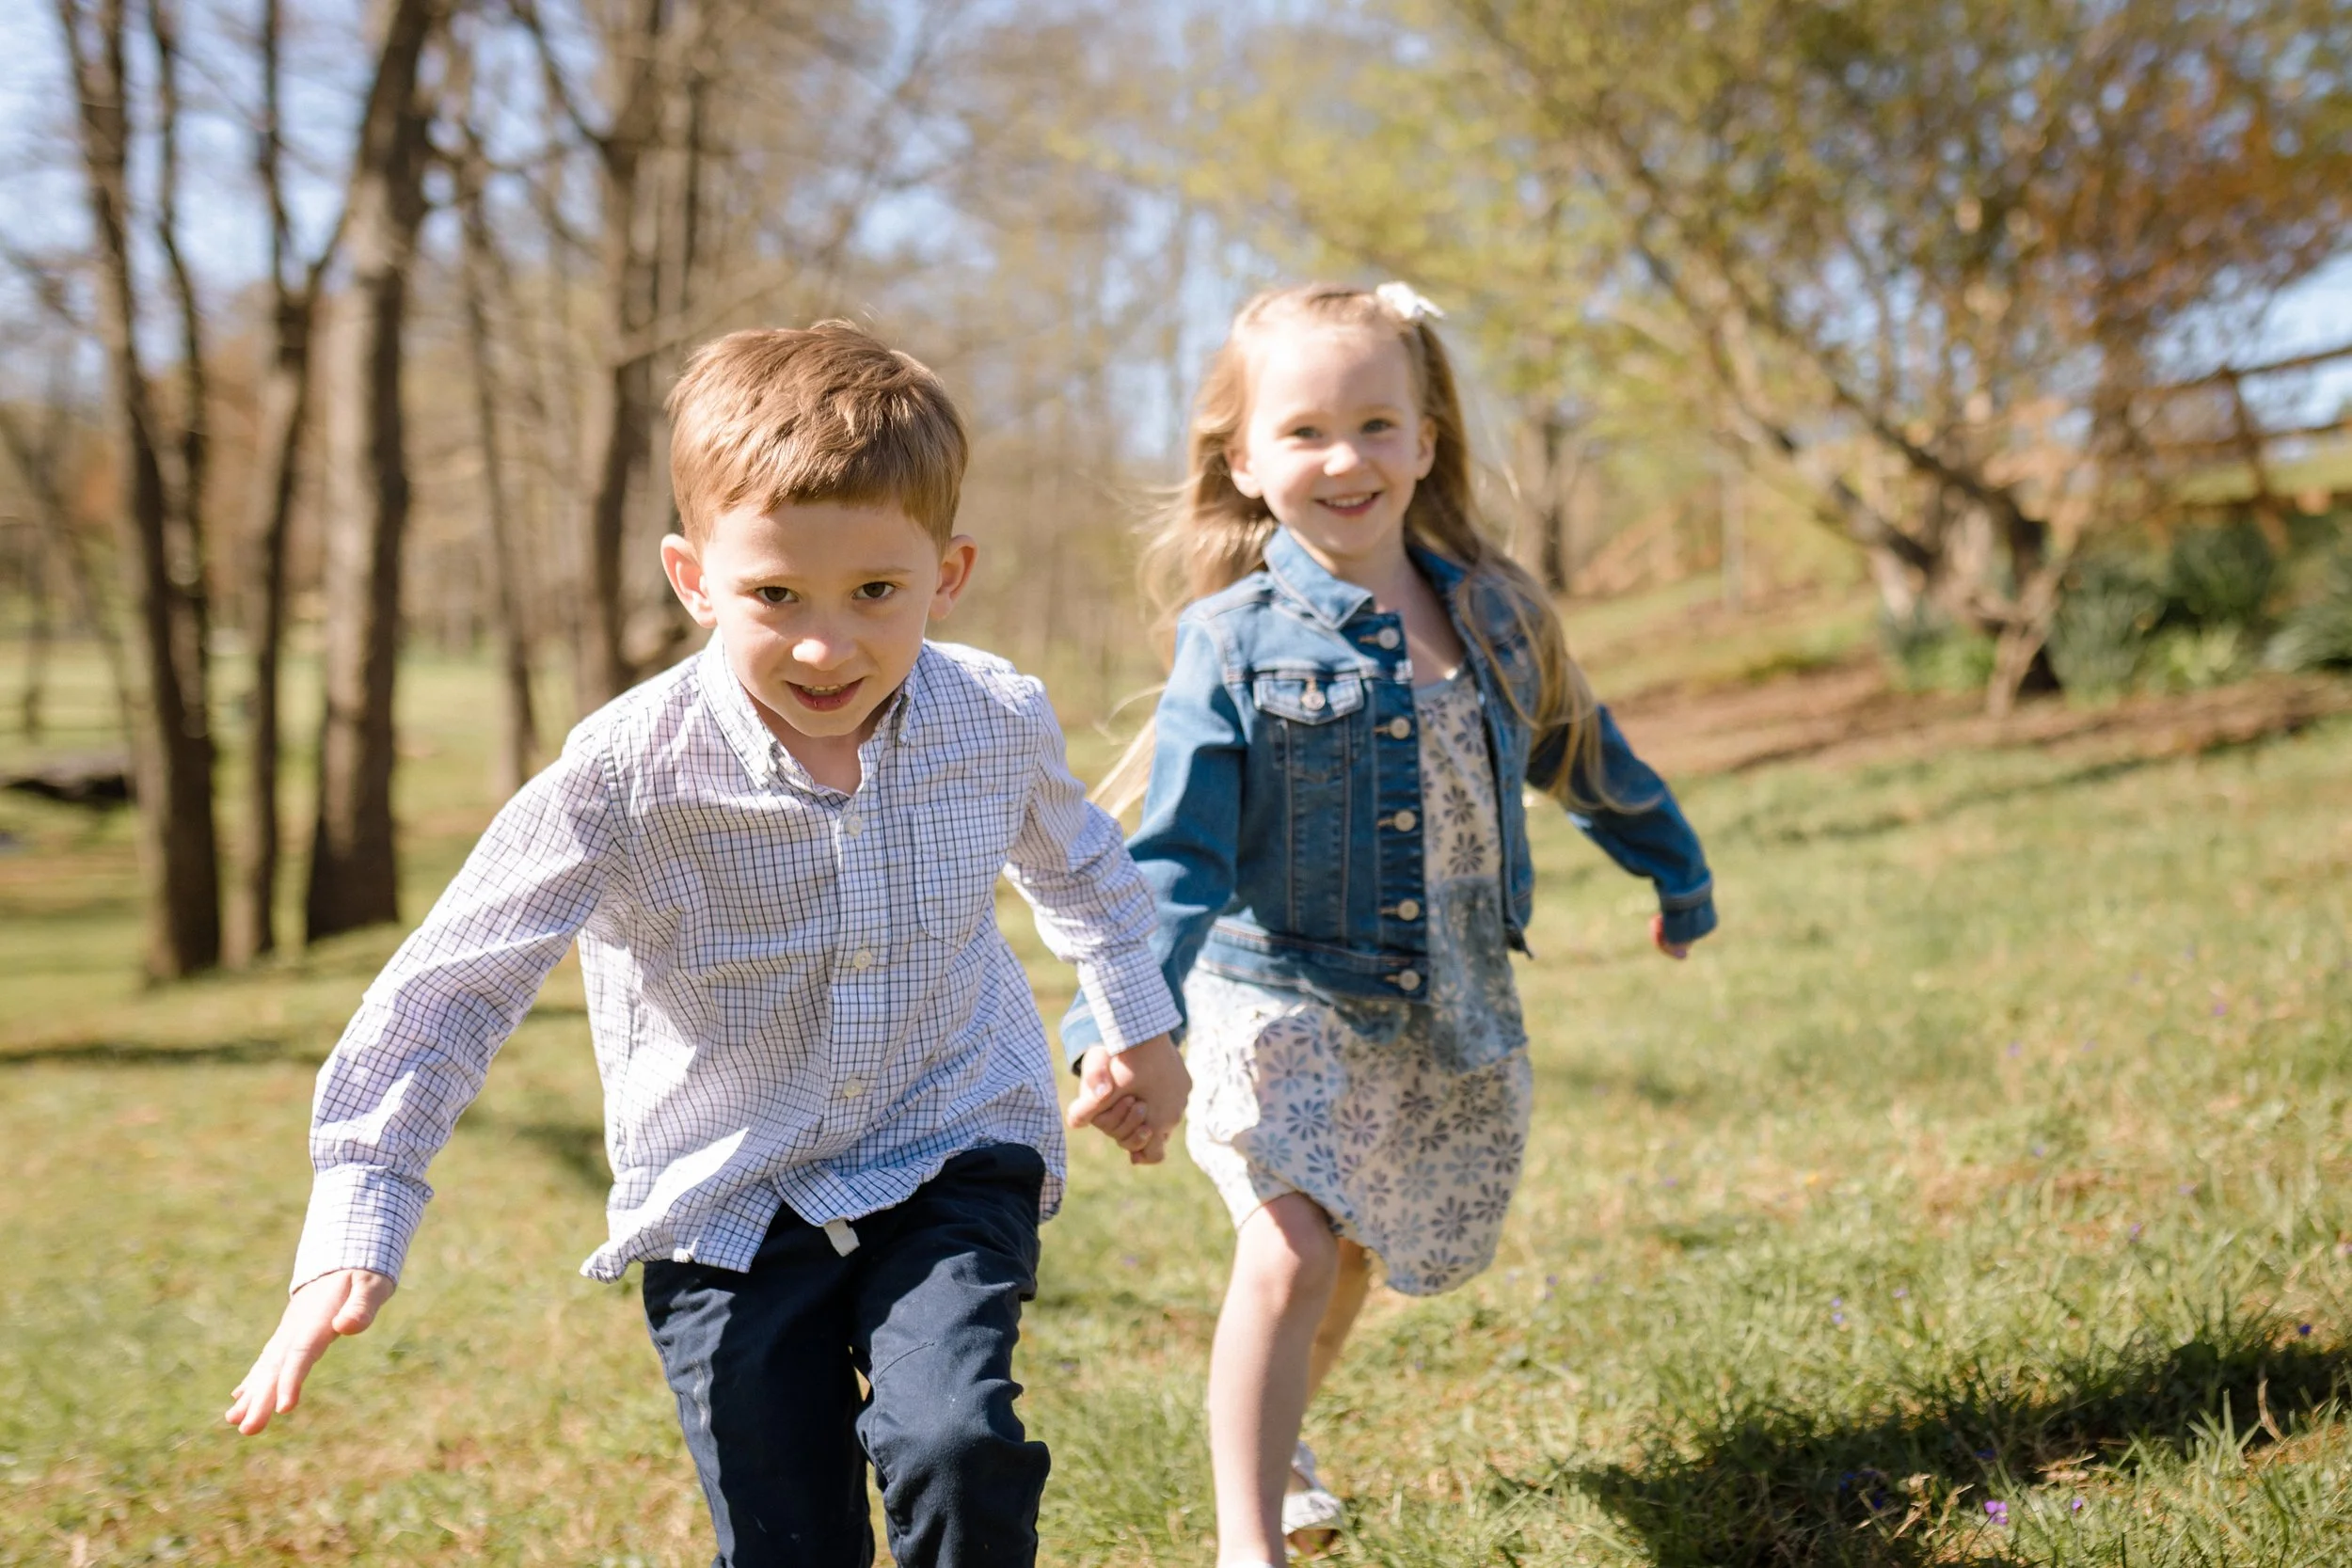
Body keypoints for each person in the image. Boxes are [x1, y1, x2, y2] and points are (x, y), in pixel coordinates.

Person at [225, 322, 1193, 1568]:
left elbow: (1085, 870)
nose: (823, 644)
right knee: (789, 1536)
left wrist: (1139, 1029)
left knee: (953, 1440)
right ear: (693, 577)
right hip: (725, 1201)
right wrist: (358, 1218)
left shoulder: (992, 716)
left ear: (947, 575)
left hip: (949, 1136)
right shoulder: (624, 776)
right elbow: (452, 990)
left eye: (876, 594)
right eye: (775, 594)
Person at [1063, 282, 1717, 1566]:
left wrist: (1675, 873)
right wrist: (1117, 1023)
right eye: (1304, 431)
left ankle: (1283, 1433)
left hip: (1441, 1003)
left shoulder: (1497, 613)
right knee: (1294, 1245)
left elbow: (1586, 752)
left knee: (1344, 1253)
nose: (1344, 458)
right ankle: (1247, 1544)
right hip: (1283, 996)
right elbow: (1179, 857)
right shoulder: (1233, 642)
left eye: (1375, 423)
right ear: (1245, 463)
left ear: (1427, 440)